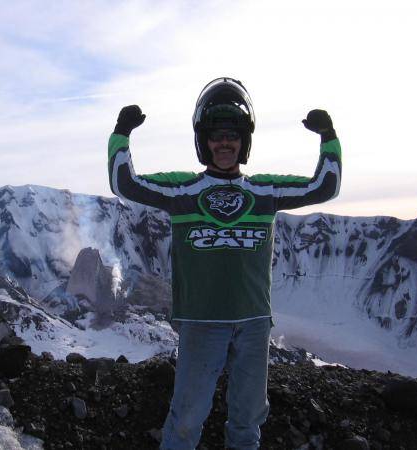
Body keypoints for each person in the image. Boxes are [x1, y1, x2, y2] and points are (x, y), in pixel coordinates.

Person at [107, 77, 341, 450]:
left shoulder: (264, 191)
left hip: (253, 323)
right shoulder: (183, 190)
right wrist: (121, 135)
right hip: (202, 321)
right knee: (186, 419)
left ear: (244, 140)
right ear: (203, 141)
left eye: (232, 134)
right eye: (216, 135)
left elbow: (324, 187)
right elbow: (125, 184)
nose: (225, 143)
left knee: (248, 419)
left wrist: (327, 136)